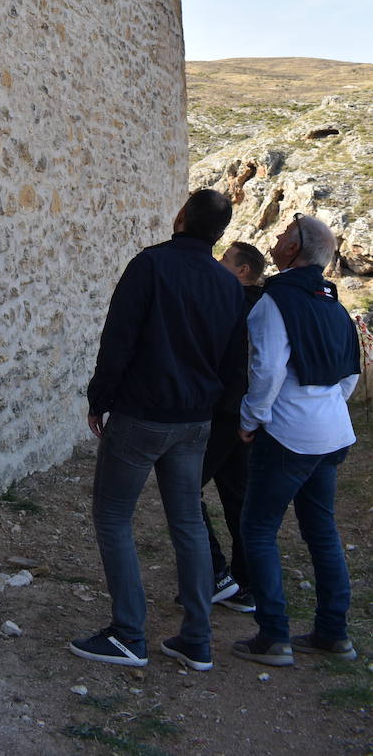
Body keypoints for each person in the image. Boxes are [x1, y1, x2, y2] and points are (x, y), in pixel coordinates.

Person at [70, 189, 244, 672]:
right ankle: (197, 639)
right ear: (221, 232)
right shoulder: (228, 284)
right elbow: (233, 362)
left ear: (181, 217)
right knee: (187, 521)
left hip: (143, 415)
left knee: (112, 517)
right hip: (195, 420)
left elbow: (118, 336)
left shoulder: (149, 266)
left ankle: (128, 634)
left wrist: (99, 398)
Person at [233, 213, 361, 665]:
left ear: (294, 250)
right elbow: (350, 375)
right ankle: (332, 632)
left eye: (286, 233)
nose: (278, 237)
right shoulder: (335, 305)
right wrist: (326, 407)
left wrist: (251, 418)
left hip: (287, 434)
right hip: (330, 433)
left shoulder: (275, 301)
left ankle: (274, 637)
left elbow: (266, 370)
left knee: (259, 530)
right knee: (322, 531)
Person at [199, 240, 266, 613]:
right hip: (242, 415)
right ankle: (247, 584)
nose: (218, 262)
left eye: (225, 259)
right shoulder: (263, 305)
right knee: (237, 495)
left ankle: (215, 574)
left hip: (226, 412)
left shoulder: (236, 304)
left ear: (243, 271)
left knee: (185, 487)